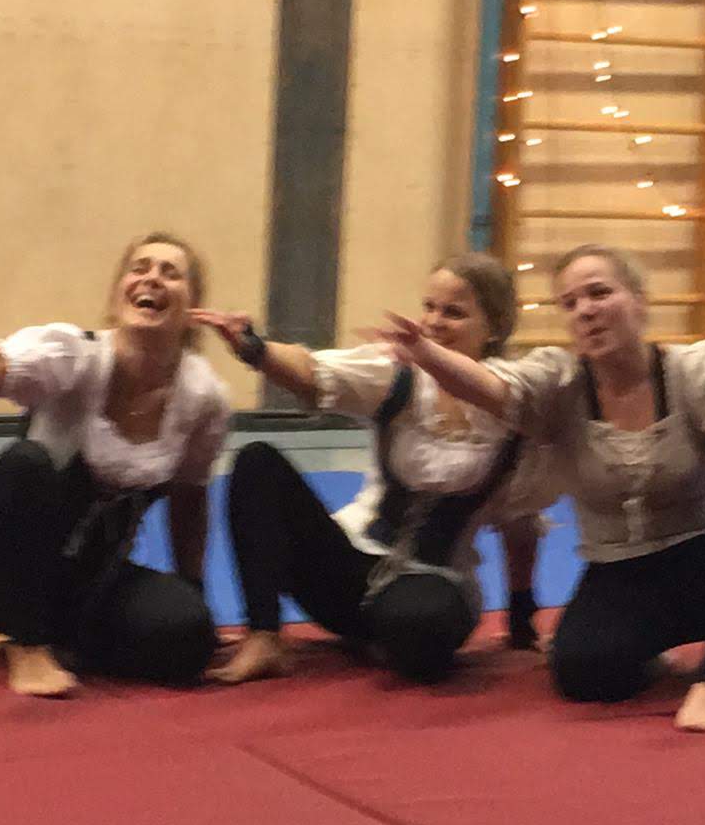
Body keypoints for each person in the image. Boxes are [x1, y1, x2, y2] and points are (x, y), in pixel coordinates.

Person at [370, 243, 705, 732]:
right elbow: (493, 388)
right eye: (570, 303)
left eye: (599, 293)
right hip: (618, 570)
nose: (586, 310)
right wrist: (425, 352)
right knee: (583, 674)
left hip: (701, 559)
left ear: (639, 301)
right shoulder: (559, 382)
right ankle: (652, 649)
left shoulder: (694, 368)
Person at [0, 231, 228, 698]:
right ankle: (26, 642)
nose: (151, 278)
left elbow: (190, 499)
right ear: (117, 295)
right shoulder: (75, 354)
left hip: (87, 581)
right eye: (139, 268)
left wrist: (194, 593)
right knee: (27, 463)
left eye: (170, 273)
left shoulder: (202, 396)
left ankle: (64, 640)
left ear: (193, 308)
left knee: (188, 638)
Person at [191, 253, 552, 685]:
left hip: (435, 581)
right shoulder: (399, 372)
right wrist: (253, 346)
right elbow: (314, 371)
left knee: (421, 627)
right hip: (349, 567)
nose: (434, 322)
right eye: (429, 307)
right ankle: (264, 635)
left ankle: (386, 636)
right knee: (256, 461)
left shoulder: (512, 400)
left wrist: (522, 613)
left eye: (453, 312)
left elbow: (520, 522)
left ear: (494, 326)